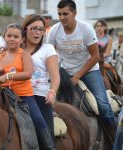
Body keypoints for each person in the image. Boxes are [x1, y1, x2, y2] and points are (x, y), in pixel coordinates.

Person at [47, 0, 117, 143]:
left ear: (74, 13)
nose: (61, 17)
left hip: (89, 70)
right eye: (59, 14)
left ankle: (116, 139)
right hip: (65, 71)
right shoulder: (54, 30)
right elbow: (50, 55)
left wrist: (78, 76)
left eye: (65, 14)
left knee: (103, 106)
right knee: (50, 102)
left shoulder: (86, 29)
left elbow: (96, 56)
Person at [0, 23, 55, 149]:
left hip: (23, 97)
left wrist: (8, 76)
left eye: (15, 36)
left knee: (38, 120)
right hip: (2, 95)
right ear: (4, 37)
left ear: (22, 39)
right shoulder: (0, 57)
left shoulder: (24, 54)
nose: (12, 39)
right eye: (9, 35)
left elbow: (28, 73)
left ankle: (49, 147)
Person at [22, 14, 60, 143]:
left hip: (39, 94)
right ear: (25, 28)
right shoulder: (17, 47)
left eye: (41, 29)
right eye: (34, 28)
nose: (37, 32)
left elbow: (55, 76)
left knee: (45, 135)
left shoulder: (48, 49)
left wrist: (52, 91)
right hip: (15, 92)